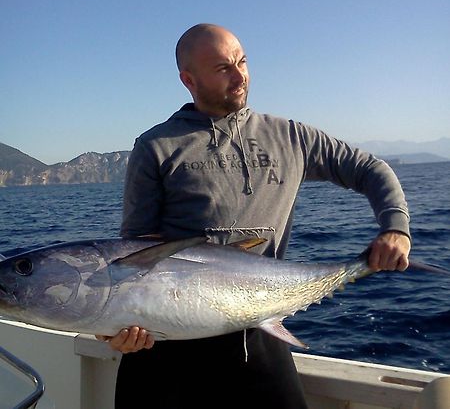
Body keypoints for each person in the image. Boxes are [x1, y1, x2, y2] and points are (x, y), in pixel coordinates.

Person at [98, 23, 411, 409]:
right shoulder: (156, 146)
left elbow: (369, 169)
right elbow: (137, 251)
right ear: (188, 79)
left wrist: (395, 227)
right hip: (167, 344)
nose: (239, 75)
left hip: (257, 332)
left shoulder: (291, 137)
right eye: (223, 68)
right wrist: (112, 327)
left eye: (242, 61)